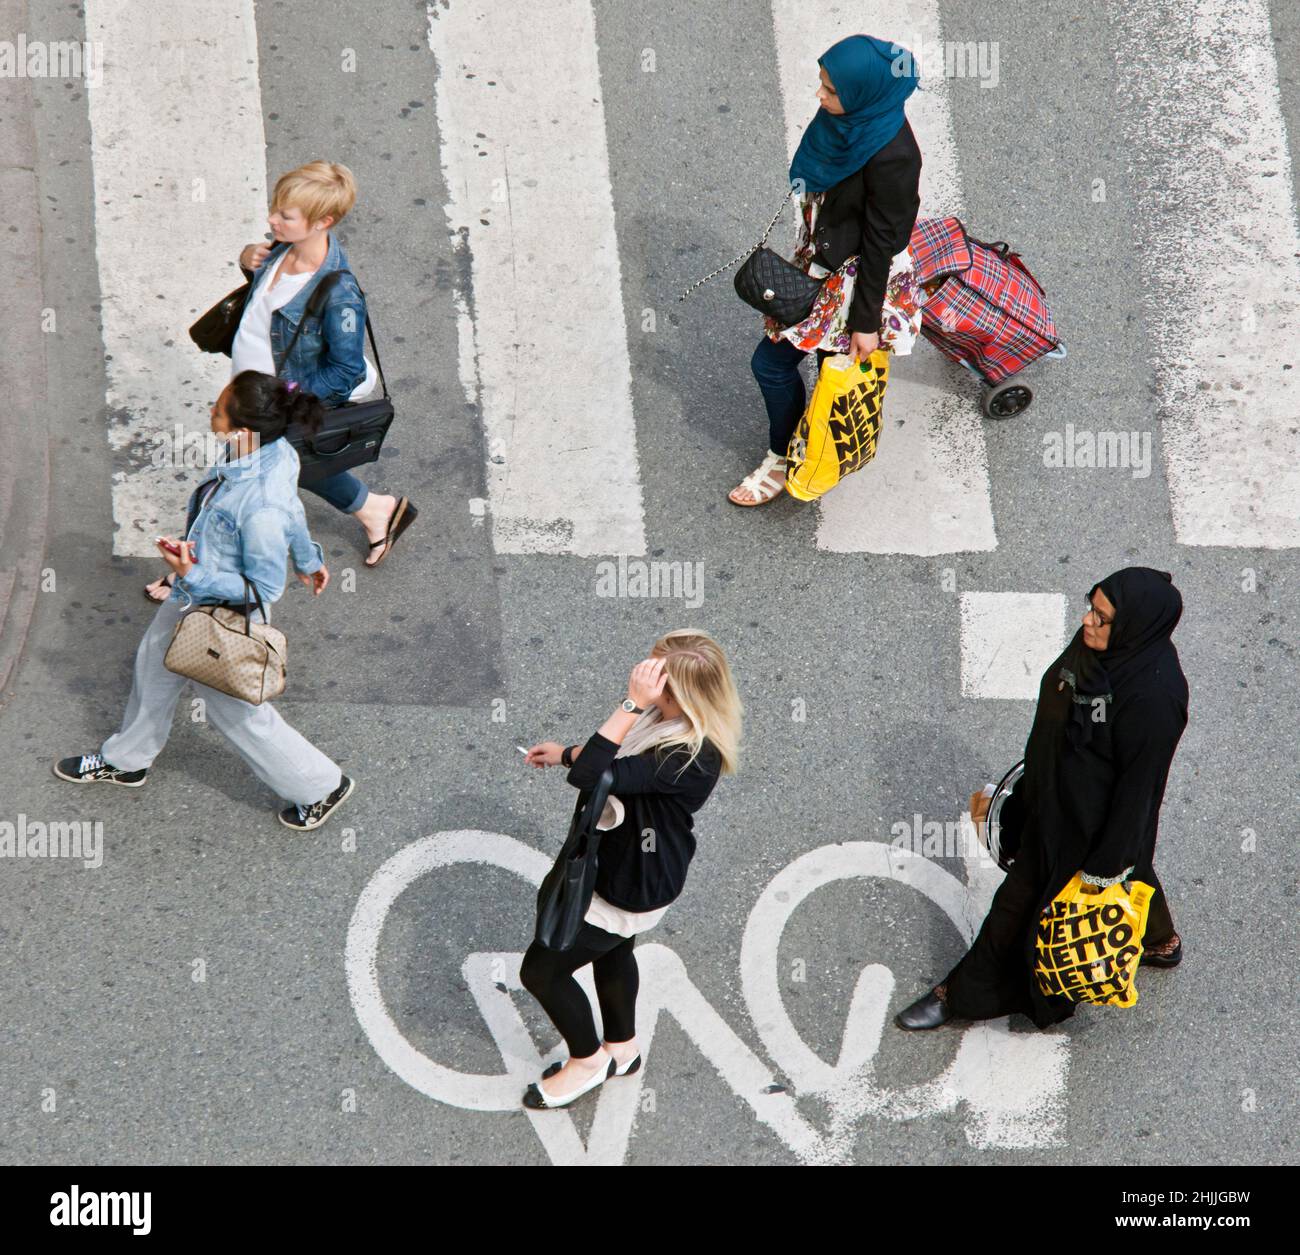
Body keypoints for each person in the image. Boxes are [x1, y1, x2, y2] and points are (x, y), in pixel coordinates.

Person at [59, 372, 355, 832]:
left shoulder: (260, 506)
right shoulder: (269, 451)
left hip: (222, 614)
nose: (211, 410)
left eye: (219, 407)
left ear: (243, 429)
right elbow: (295, 510)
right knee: (154, 664)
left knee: (237, 715)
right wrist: (307, 555)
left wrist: (193, 573)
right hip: (191, 595)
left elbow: (264, 588)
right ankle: (127, 759)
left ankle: (319, 786)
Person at [896, 568, 1190, 1031]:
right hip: (1053, 791)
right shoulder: (1100, 649)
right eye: (1092, 606)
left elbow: (1140, 792)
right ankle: (1160, 942)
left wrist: (1102, 869)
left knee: (1018, 903)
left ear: (1134, 626)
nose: (1087, 620)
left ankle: (959, 994)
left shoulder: (1155, 698)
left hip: (1087, 826)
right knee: (1139, 872)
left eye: (1101, 616)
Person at [146, 161, 416, 601]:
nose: (272, 220)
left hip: (272, 403)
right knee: (295, 465)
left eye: (285, 216)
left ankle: (190, 569)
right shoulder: (280, 248)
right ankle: (377, 510)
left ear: (323, 222)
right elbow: (269, 310)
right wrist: (249, 261)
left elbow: (346, 371)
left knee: (230, 483)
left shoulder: (339, 294)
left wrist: (285, 401)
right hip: (254, 386)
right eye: (276, 209)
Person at [517, 631, 742, 1108]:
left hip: (629, 879)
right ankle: (622, 1048)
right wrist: (565, 753)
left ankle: (587, 1063)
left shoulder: (686, 755)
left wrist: (629, 703)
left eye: (655, 676)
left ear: (680, 694)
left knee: (542, 972)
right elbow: (605, 763)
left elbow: (597, 775)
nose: (644, 676)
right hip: (639, 863)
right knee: (613, 952)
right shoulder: (674, 721)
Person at [731, 33, 923, 506]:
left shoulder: (894, 158)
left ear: (863, 94)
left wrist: (864, 322)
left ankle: (785, 457)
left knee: (779, 365)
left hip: (855, 280)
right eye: (823, 84)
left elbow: (883, 243)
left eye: (831, 91)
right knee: (798, 368)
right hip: (822, 257)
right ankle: (791, 447)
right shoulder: (851, 120)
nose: (820, 96)